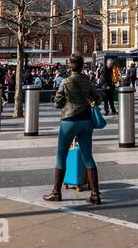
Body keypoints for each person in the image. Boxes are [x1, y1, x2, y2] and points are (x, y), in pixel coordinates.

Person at [43, 54, 103, 205]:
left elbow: (57, 103)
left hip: (69, 121)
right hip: (85, 120)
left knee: (61, 156)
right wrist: (88, 100)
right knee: (88, 157)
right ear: (82, 66)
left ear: (70, 66)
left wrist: (66, 101)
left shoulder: (65, 82)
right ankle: (95, 194)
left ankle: (56, 192)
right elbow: (98, 99)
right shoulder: (87, 81)